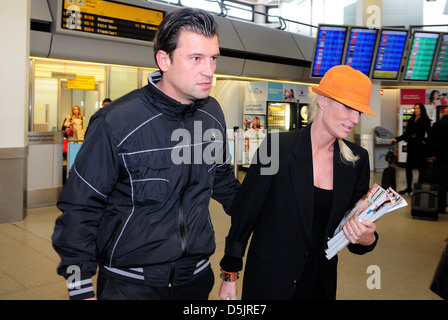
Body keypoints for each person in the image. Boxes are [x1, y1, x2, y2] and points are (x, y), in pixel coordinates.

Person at [52, 8, 240, 300]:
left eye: (213, 58)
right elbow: (80, 206)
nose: (209, 70)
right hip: (131, 286)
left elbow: (223, 181)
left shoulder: (212, 113)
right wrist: (80, 287)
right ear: (164, 59)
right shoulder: (117, 121)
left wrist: (272, 211)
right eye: (196, 58)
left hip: (196, 279)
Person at [218, 65, 378, 300]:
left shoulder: (356, 161)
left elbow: (353, 228)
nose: (355, 119)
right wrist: (230, 274)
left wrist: (368, 239)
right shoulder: (277, 149)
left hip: (319, 285)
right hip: (269, 282)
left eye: (359, 112)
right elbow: (245, 216)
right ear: (323, 101)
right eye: (348, 107)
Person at [391, 103, 431, 195]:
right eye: (415, 108)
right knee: (408, 168)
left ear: (422, 110)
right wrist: (396, 139)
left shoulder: (425, 120)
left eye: (418, 108)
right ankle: (409, 188)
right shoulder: (411, 120)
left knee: (421, 169)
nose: (416, 110)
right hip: (412, 146)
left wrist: (425, 141)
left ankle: (419, 188)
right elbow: (406, 134)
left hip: (420, 148)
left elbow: (429, 133)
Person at [427, 107, 448, 214]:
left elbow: (431, 141)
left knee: (441, 183)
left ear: (446, 112)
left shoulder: (439, 124)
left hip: (441, 158)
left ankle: (441, 207)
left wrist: (430, 155)